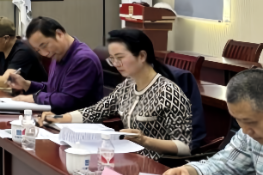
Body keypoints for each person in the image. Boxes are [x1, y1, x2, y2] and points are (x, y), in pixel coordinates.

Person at [40, 30, 193, 160]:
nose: (116, 64)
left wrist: (145, 140)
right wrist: (58, 118)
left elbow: (184, 146)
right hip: (128, 159)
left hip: (156, 165)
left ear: (141, 56)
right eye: (112, 59)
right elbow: (96, 111)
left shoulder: (168, 92)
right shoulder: (127, 86)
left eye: (120, 58)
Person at [165, 69, 263, 175]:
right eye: (239, 120)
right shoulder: (248, 134)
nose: (245, 130)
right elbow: (225, 165)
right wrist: (190, 171)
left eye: (250, 122)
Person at [4, 16, 103, 114]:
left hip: (77, 120)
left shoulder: (84, 59)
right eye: (38, 50)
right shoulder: (58, 54)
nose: (44, 53)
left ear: (59, 34)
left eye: (44, 45)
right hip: (58, 117)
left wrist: (34, 98)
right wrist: (26, 85)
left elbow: (68, 100)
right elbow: (53, 90)